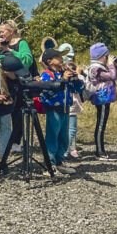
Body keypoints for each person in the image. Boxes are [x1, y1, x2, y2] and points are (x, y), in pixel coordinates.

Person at [0, 20, 35, 172]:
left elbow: (28, 60)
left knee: (18, 112)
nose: (1, 34)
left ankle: (16, 141)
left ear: (11, 31)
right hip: (5, 81)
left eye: (3, 31)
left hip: (19, 81)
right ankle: (4, 142)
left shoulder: (21, 43)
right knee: (6, 112)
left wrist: (10, 51)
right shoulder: (1, 43)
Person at [39, 48, 81, 176]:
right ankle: (49, 165)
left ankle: (59, 162)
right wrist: (63, 80)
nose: (62, 59)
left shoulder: (64, 72)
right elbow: (47, 91)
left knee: (64, 138)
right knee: (52, 137)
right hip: (54, 110)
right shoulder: (47, 74)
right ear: (50, 61)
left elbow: (77, 89)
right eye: (58, 57)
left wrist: (76, 78)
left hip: (65, 109)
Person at [86, 43, 117, 161]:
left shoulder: (100, 67)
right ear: (102, 56)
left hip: (105, 98)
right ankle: (99, 152)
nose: (108, 58)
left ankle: (100, 150)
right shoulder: (96, 68)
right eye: (107, 55)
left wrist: (115, 66)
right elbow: (113, 76)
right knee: (100, 125)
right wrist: (111, 65)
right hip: (102, 99)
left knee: (102, 123)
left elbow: (113, 76)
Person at [58, 43, 82, 159]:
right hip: (66, 104)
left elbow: (79, 87)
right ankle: (65, 152)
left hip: (71, 104)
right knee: (70, 129)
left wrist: (78, 77)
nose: (69, 59)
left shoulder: (73, 70)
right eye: (67, 56)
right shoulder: (59, 72)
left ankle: (71, 149)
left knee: (70, 129)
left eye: (71, 56)